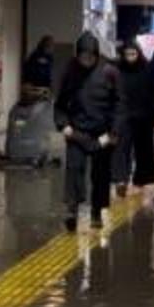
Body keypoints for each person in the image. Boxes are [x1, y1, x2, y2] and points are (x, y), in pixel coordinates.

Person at [55, 31, 124, 232]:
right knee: (74, 170)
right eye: (83, 56)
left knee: (100, 174)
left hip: (102, 133)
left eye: (90, 56)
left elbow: (120, 104)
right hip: (77, 131)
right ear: (77, 55)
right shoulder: (70, 72)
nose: (87, 60)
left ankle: (96, 211)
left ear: (96, 54)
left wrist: (115, 131)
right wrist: (63, 124)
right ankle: (72, 209)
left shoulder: (110, 72)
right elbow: (60, 103)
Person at [116, 41, 154, 196]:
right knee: (122, 148)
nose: (130, 57)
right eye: (128, 54)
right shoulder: (118, 71)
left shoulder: (149, 70)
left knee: (144, 149)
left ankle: (142, 180)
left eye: (133, 54)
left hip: (145, 116)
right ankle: (122, 179)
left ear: (139, 54)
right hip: (125, 116)